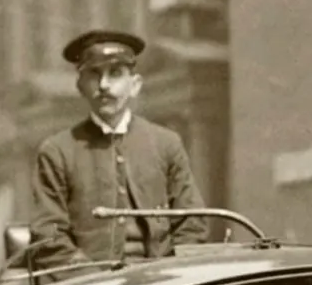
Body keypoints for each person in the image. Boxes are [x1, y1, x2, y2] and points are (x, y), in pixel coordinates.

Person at [29, 27, 209, 269]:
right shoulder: (57, 151)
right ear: (80, 85)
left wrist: (171, 273)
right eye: (94, 74)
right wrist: (92, 279)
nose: (104, 85)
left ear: (135, 85)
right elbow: (48, 234)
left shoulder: (166, 143)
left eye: (115, 73)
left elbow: (192, 224)